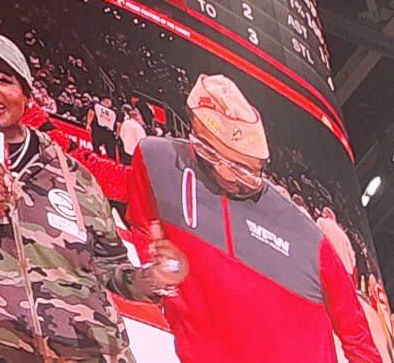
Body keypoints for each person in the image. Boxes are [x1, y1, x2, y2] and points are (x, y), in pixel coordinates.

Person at [0, 25, 187, 363]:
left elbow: (109, 269)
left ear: (27, 95)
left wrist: (150, 278)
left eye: (1, 78)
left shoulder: (72, 173)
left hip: (95, 354)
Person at [125, 73, 382, 363]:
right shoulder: (155, 161)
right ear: (204, 147)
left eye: (255, 169)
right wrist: (166, 286)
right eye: (237, 167)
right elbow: (142, 224)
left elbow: (358, 339)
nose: (248, 179)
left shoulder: (308, 239)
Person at [86, 96, 119, 161]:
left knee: (110, 154)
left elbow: (118, 125)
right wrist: (88, 124)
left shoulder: (113, 112)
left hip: (108, 132)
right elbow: (91, 114)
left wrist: (117, 133)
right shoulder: (97, 106)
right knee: (96, 150)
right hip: (99, 129)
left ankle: (111, 165)